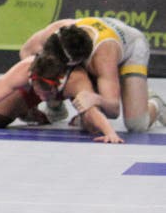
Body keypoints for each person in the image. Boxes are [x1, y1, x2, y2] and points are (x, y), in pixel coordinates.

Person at [20, 18, 166, 133]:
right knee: (45, 70)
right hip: (100, 37)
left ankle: (156, 103)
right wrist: (35, 94)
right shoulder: (55, 32)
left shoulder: (103, 58)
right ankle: (56, 108)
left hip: (132, 46)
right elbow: (25, 53)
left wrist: (96, 98)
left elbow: (113, 110)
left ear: (76, 61)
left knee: (137, 125)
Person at [0, 51, 122, 143]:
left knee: (91, 126)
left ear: (58, 83)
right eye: (39, 92)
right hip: (38, 84)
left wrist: (110, 133)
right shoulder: (24, 70)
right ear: (32, 79)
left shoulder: (76, 80)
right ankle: (29, 110)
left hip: (70, 86)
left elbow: (92, 111)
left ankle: (62, 109)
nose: (43, 97)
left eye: (48, 93)